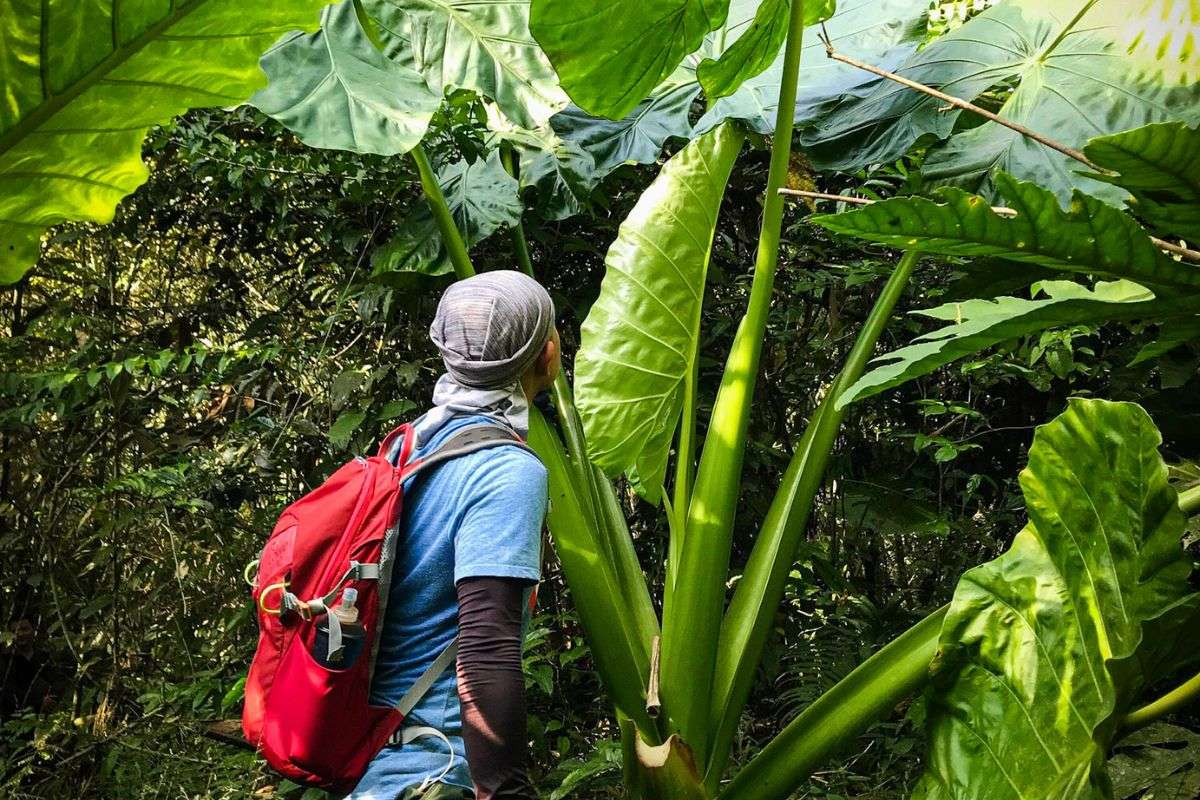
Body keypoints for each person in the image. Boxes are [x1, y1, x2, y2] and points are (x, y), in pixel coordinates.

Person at [348, 271, 559, 800]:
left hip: (375, 764)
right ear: (548, 354)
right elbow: (486, 646)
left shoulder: (409, 447)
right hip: (433, 773)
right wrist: (506, 790)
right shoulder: (505, 470)